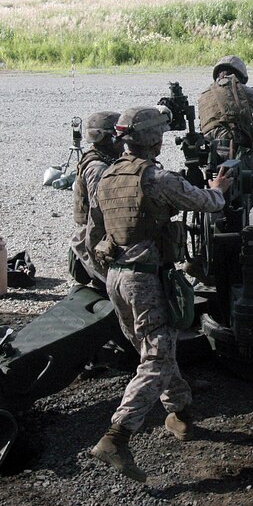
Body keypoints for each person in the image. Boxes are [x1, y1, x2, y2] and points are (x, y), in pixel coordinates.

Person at [86, 106, 233, 481]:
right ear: (154, 139)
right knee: (155, 360)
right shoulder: (156, 178)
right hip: (146, 279)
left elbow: (94, 233)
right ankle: (116, 437)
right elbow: (208, 204)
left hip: (116, 278)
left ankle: (180, 413)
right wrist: (217, 189)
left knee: (156, 349)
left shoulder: (105, 177)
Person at [69, 111, 121, 288]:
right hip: (93, 239)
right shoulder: (97, 168)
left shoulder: (105, 159)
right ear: (110, 138)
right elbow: (97, 216)